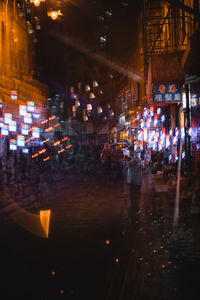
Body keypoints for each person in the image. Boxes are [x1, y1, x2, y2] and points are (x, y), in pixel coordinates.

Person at [126, 153, 143, 220]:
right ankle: (135, 203)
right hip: (137, 180)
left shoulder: (134, 160)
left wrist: (127, 160)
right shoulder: (138, 160)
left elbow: (128, 165)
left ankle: (133, 205)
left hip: (133, 180)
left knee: (132, 192)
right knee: (136, 192)